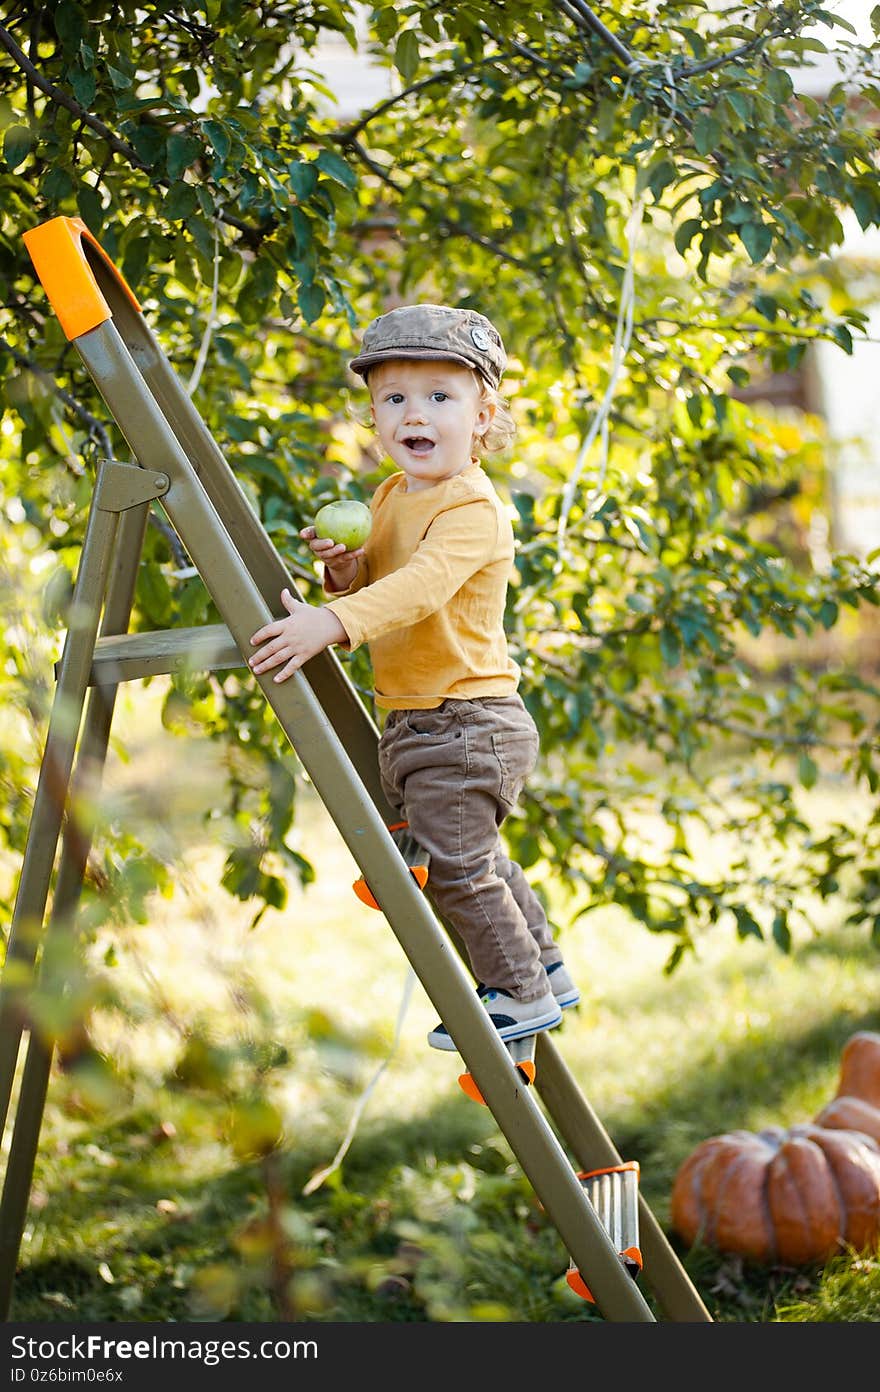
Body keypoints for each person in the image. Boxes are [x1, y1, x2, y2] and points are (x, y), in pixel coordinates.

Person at [249, 303, 580, 1050]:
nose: (414, 415)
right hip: (423, 719)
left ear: (482, 413)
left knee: (458, 868)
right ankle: (546, 966)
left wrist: (328, 626)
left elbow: (422, 588)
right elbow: (381, 577)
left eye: (439, 396)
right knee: (479, 855)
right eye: (394, 399)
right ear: (374, 415)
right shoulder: (392, 497)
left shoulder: (474, 508)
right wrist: (344, 571)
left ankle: (520, 993)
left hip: (468, 721)